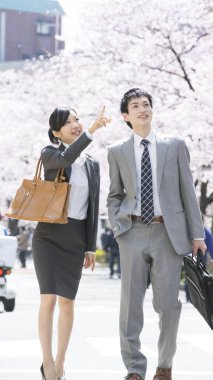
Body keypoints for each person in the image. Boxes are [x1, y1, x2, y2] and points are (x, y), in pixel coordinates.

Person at [107, 88, 206, 380]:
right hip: (132, 230)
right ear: (126, 115)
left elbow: (188, 193)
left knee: (168, 305)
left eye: (146, 104)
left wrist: (197, 234)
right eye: (135, 106)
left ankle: (165, 365)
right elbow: (114, 194)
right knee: (130, 306)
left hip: (168, 233)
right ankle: (135, 369)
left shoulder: (174, 146)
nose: (142, 109)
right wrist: (118, 227)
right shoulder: (116, 151)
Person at [32, 106, 110, 380]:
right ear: (56, 132)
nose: (75, 125)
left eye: (77, 120)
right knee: (48, 301)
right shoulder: (50, 153)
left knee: (67, 303)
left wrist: (90, 245)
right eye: (68, 123)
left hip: (75, 237)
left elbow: (93, 206)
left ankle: (62, 361)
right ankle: (47, 362)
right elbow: (67, 158)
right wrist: (91, 131)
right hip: (48, 236)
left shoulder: (91, 163)